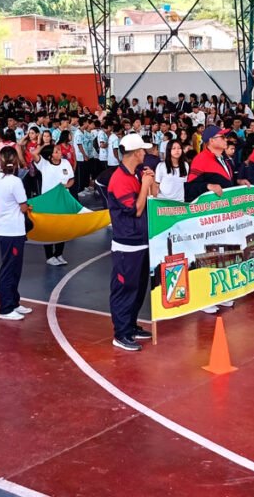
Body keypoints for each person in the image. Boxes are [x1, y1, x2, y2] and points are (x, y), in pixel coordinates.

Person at [106, 134, 157, 351]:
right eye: (143, 151)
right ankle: (121, 333)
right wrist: (145, 185)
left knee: (137, 289)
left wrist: (150, 182)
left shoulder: (136, 174)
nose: (145, 153)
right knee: (125, 289)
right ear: (136, 153)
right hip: (127, 244)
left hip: (141, 241)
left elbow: (154, 197)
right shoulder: (119, 180)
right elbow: (136, 210)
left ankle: (131, 325)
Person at [0, 147, 33, 320]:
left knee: (13, 268)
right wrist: (27, 208)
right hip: (13, 230)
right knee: (10, 269)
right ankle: (6, 308)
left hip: (5, 228)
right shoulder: (15, 182)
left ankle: (14, 302)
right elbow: (23, 206)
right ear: (15, 162)